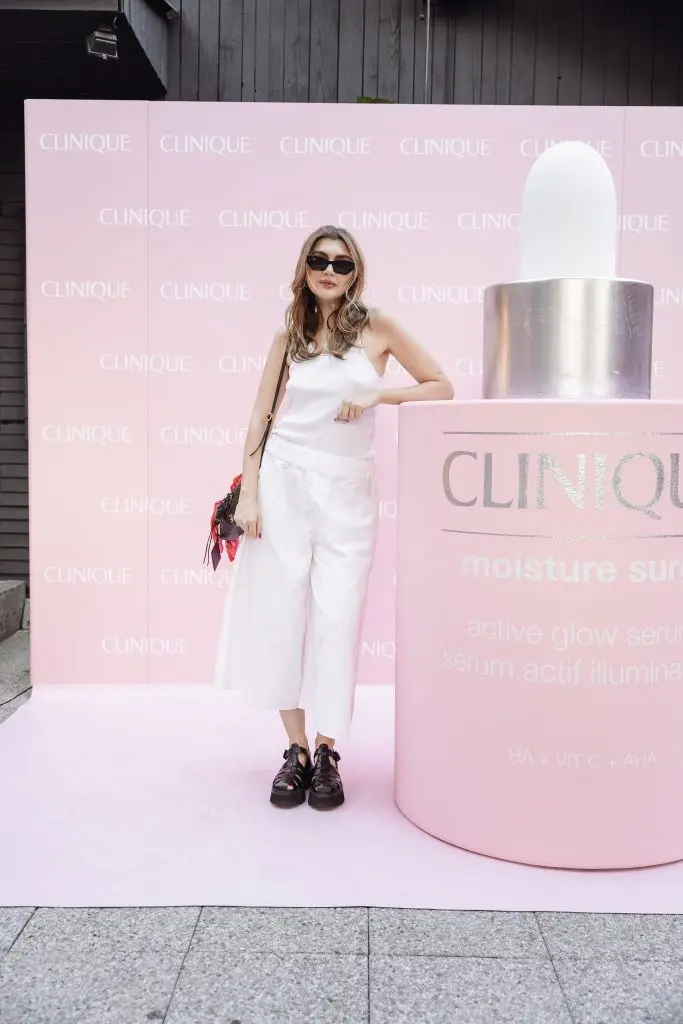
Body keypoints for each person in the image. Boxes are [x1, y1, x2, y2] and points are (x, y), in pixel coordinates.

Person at [214, 224, 453, 810]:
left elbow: (440, 385)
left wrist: (378, 396)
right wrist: (250, 494)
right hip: (284, 482)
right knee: (281, 616)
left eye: (341, 264)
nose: (329, 271)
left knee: (338, 620)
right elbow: (261, 415)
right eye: (319, 261)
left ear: (355, 273)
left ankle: (327, 752)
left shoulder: (378, 327)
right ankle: (296, 751)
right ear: (304, 268)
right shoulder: (289, 335)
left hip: (347, 491)